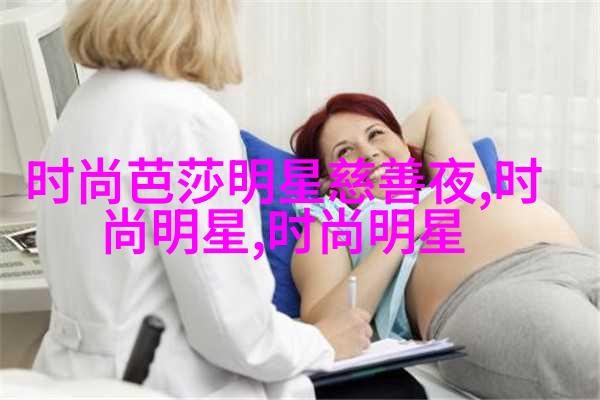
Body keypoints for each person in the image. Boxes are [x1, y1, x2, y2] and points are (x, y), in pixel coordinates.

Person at [33, 1, 373, 398]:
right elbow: (234, 327)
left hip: (77, 380)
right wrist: (322, 341)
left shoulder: (84, 107)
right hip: (159, 382)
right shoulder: (187, 121)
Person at [290, 93, 600, 398]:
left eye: (375, 134)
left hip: (578, 262)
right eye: (345, 152)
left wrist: (395, 151)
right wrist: (406, 229)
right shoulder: (332, 221)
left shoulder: (447, 181)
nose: (368, 153)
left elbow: (435, 111)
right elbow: (327, 323)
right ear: (326, 181)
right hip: (492, 291)